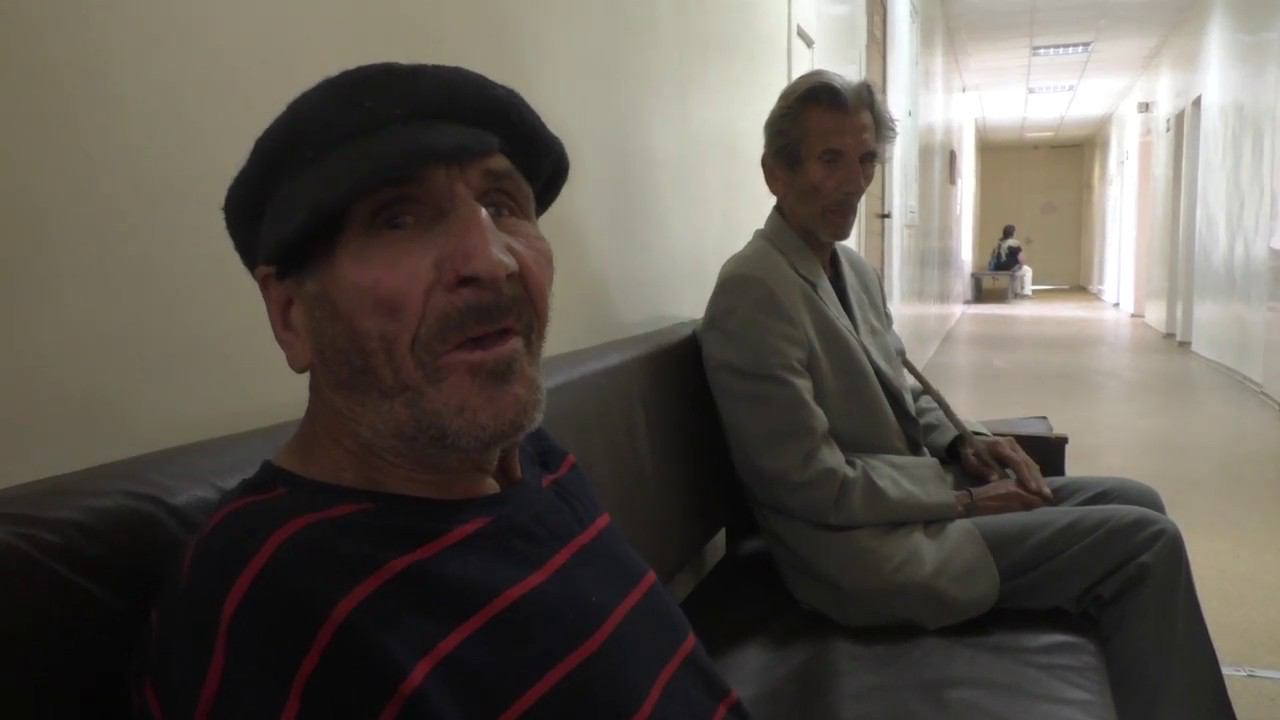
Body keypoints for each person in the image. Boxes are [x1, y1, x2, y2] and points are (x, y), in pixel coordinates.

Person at [133, 63, 746, 720]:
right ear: (292, 316)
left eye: (502, 206)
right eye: (398, 218)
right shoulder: (263, 606)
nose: (492, 260)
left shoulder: (534, 458)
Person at [699, 69, 1235, 720]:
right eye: (830, 159)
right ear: (775, 174)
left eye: (866, 159)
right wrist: (962, 500)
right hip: (860, 554)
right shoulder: (754, 290)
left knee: (1138, 499)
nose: (855, 182)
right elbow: (809, 484)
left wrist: (963, 441)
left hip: (910, 508)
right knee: (1146, 544)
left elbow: (900, 382)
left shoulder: (851, 269)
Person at [988, 224, 1033, 297]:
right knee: (1027, 270)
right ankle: (1026, 292)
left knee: (1017, 271)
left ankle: (1016, 292)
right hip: (1010, 267)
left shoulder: (999, 243)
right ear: (1013, 233)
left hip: (998, 267)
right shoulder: (1015, 243)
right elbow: (1021, 259)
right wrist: (1021, 264)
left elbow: (992, 255)